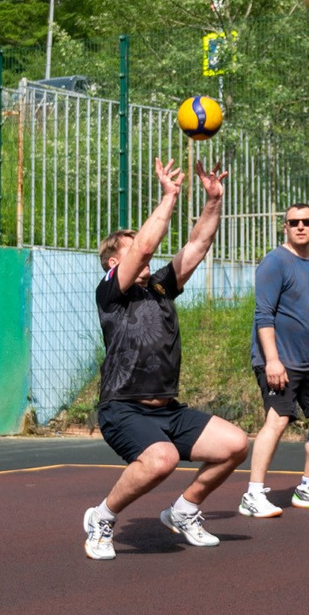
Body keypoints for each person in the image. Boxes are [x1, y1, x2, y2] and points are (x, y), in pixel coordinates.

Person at [85, 159, 249, 559]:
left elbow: (197, 246)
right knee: (162, 459)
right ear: (114, 263)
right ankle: (101, 517)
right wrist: (169, 196)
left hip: (167, 409)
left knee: (235, 444)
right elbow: (145, 246)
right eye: (132, 245)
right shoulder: (110, 292)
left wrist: (213, 200)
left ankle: (184, 510)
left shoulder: (160, 287)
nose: (144, 248)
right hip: (123, 408)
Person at [239, 203, 309, 516]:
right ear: (285, 226)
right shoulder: (274, 262)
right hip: (277, 360)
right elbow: (263, 315)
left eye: (307, 221)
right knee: (278, 420)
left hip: (307, 361)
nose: (300, 226)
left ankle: (308, 487)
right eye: (294, 222)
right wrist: (272, 361)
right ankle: (253, 494)